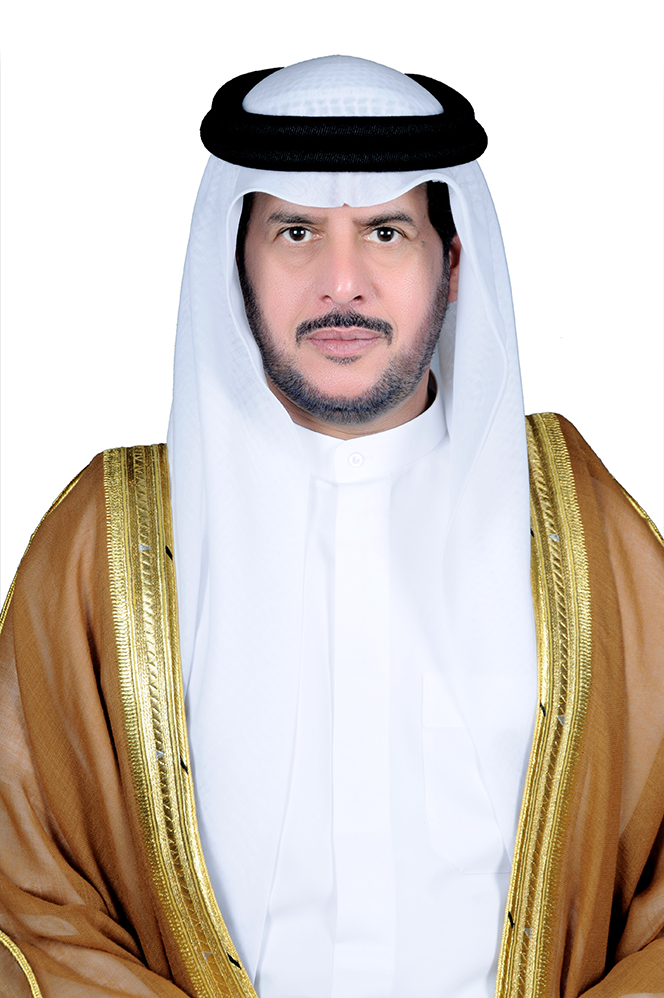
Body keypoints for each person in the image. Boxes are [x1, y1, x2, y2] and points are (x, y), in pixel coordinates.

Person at [0, 54, 663, 998]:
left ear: (453, 263)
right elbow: (28, 893)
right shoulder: (106, 544)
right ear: (236, 260)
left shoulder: (580, 528)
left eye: (387, 232)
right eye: (297, 231)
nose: (341, 283)